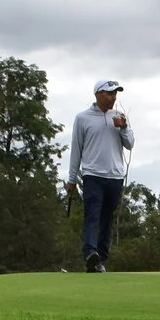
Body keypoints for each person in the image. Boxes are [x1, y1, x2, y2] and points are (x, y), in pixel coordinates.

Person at [65, 79, 134, 272]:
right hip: (92, 175)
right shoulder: (83, 118)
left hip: (115, 176)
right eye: (109, 93)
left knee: (107, 219)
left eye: (115, 94)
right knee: (92, 215)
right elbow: (76, 150)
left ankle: (100, 260)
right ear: (98, 94)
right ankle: (90, 252)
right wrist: (72, 179)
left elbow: (130, 144)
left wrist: (124, 127)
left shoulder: (119, 117)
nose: (113, 97)